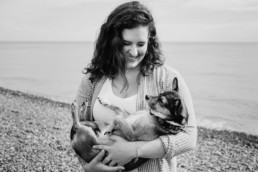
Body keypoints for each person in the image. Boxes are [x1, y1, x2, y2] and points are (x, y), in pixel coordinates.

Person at [75, 1, 197, 171]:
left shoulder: (168, 79)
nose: (133, 52)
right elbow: (77, 130)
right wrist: (89, 167)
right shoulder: (92, 79)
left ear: (150, 41)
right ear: (112, 40)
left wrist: (134, 150)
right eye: (126, 43)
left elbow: (189, 137)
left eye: (140, 44)